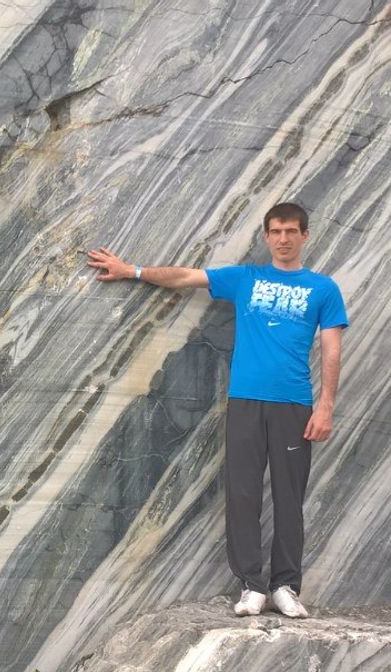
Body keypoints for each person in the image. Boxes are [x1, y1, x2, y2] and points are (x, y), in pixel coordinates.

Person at [87, 202, 348, 618]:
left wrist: (326, 406)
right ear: (266, 236)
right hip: (244, 400)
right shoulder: (246, 278)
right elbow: (187, 277)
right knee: (243, 493)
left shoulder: (323, 289)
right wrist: (132, 271)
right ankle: (252, 587)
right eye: (276, 232)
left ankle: (286, 586)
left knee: (289, 496)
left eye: (291, 232)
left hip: (295, 405)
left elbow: (332, 348)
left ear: (305, 236)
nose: (283, 239)